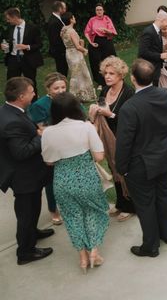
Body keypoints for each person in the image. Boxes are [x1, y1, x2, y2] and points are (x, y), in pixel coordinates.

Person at [115, 59, 167, 258]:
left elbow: (124, 142)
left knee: (145, 204)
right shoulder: (165, 95)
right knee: (163, 195)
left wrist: (122, 167)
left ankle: (150, 246)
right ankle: (166, 235)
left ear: (132, 79)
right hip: (163, 156)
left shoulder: (129, 107)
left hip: (140, 164)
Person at [41, 92, 109, 272]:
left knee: (72, 218)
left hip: (62, 181)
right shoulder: (86, 127)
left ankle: (83, 258)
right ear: (75, 108)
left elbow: (48, 161)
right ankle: (94, 250)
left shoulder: (47, 132)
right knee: (94, 212)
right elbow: (99, 156)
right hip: (87, 178)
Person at [0, 77, 54, 265]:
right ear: (21, 96)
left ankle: (33, 232)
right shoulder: (11, 121)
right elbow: (21, 152)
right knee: (26, 213)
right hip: (23, 176)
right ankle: (25, 252)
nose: (34, 94)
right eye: (31, 92)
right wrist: (41, 136)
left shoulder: (9, 110)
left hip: (29, 174)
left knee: (33, 208)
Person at [92, 56, 135, 221]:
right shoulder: (104, 90)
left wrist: (109, 114)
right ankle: (120, 202)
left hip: (122, 137)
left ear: (121, 75)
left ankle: (130, 205)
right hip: (107, 137)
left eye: (112, 73)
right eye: (106, 73)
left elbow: (130, 119)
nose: (107, 76)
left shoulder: (128, 92)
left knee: (124, 170)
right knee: (113, 169)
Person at [28, 72, 67, 225]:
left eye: (63, 87)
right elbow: (43, 129)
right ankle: (53, 209)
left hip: (69, 145)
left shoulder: (69, 99)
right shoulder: (39, 105)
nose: (61, 91)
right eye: (56, 88)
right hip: (51, 146)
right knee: (51, 180)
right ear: (48, 89)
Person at [3, 7, 44, 99]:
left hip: (27, 59)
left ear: (15, 17)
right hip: (13, 59)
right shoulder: (10, 28)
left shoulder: (32, 28)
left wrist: (27, 47)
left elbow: (39, 44)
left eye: (8, 19)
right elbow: (9, 42)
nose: (7, 21)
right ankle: (12, 101)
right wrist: (5, 46)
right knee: (11, 82)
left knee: (30, 81)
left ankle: (34, 102)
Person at [61, 12, 97, 102]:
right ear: (71, 19)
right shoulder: (71, 31)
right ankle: (83, 95)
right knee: (82, 74)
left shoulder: (63, 30)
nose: (75, 18)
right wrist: (85, 50)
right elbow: (77, 46)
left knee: (75, 74)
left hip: (69, 53)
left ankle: (78, 95)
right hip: (75, 54)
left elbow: (69, 43)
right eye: (73, 17)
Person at [84, 3, 117, 87]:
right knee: (96, 62)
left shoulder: (107, 19)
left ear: (103, 11)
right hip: (95, 42)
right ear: (95, 11)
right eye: (97, 10)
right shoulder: (92, 20)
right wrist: (90, 42)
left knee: (110, 61)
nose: (99, 11)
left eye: (100, 10)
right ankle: (100, 82)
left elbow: (113, 32)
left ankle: (114, 78)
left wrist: (105, 30)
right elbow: (86, 32)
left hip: (106, 41)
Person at [138, 10, 167, 86]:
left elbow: (154, 48)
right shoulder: (148, 32)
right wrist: (160, 56)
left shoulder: (158, 31)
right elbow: (142, 52)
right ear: (163, 20)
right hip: (149, 69)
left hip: (155, 67)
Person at [46, 0, 68, 76]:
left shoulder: (58, 19)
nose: (65, 9)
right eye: (63, 8)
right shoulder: (54, 21)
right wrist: (63, 50)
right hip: (59, 52)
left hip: (61, 51)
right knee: (62, 70)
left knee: (64, 70)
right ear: (59, 8)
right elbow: (55, 39)